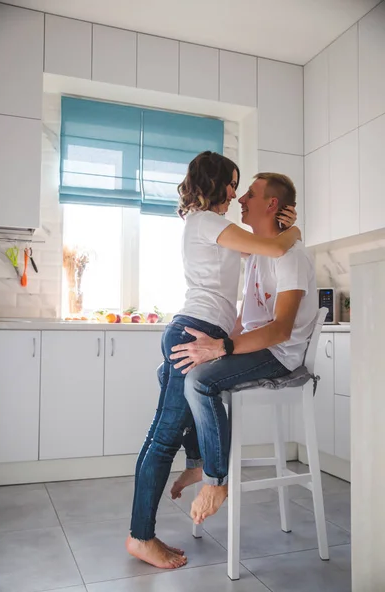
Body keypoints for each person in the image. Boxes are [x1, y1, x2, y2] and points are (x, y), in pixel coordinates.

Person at [126, 152, 300, 570]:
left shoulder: (213, 227)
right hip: (196, 331)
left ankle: (200, 464)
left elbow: (260, 250)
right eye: (233, 184)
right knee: (161, 437)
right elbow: (275, 248)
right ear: (221, 184)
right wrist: (292, 232)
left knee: (172, 419)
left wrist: (279, 224)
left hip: (198, 329)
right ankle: (140, 536)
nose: (237, 193)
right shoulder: (207, 222)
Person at [169, 172, 317, 526]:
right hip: (257, 347)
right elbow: (243, 319)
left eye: (249, 194)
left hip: (279, 356)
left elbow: (280, 330)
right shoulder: (255, 255)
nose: (240, 200)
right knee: (181, 369)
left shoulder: (291, 256)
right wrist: (209, 345)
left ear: (271, 204)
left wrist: (221, 348)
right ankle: (199, 462)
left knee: (201, 381)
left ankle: (216, 481)